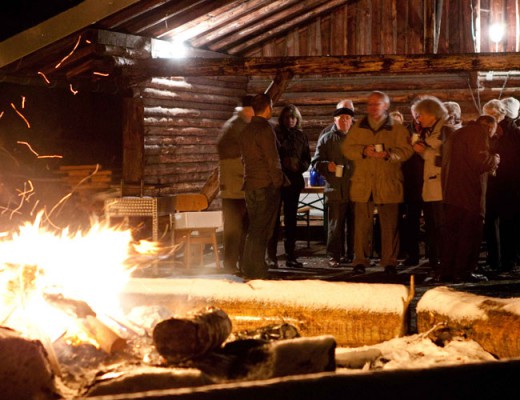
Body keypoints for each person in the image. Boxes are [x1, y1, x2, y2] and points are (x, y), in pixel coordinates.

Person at [342, 91, 413, 274]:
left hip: (388, 182)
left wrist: (389, 154)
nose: (373, 107)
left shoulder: (397, 128)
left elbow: (406, 151)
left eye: (377, 104)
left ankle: (389, 260)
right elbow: (347, 149)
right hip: (363, 183)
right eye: (370, 104)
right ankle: (360, 260)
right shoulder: (358, 127)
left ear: (386, 106)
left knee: (389, 225)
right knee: (361, 225)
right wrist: (363, 150)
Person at [438, 115, 499, 282]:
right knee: (469, 234)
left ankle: (447, 271)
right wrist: (494, 159)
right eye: (493, 131)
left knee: (452, 235)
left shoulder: (456, 134)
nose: (492, 135)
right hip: (470, 194)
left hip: (451, 193)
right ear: (488, 126)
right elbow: (480, 161)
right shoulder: (479, 133)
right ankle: (464, 271)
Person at [239, 94, 285, 279]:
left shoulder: (246, 130)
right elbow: (272, 159)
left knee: (254, 228)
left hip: (250, 184)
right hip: (265, 186)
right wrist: (278, 181)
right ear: (268, 107)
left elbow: (245, 159)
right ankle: (256, 269)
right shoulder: (265, 129)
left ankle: (248, 266)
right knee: (262, 229)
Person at [411, 96, 454, 273]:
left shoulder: (446, 131)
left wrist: (424, 151)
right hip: (430, 189)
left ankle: (443, 266)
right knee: (433, 229)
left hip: (440, 191)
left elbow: (445, 160)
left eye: (421, 115)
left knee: (441, 228)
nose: (418, 118)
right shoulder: (430, 132)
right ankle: (436, 265)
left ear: (431, 114)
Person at [267, 104, 311, 268]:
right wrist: (283, 165)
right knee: (274, 220)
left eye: (293, 117)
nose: (291, 120)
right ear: (283, 118)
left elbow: (307, 158)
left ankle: (291, 256)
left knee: (291, 220)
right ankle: (272, 257)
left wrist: (299, 166)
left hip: (293, 181)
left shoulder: (301, 136)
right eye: (288, 117)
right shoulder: (275, 134)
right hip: (278, 180)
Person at [311, 106, 355, 268]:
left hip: (354, 188)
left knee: (354, 225)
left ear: (351, 121)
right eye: (341, 118)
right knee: (335, 226)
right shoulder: (326, 139)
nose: (345, 121)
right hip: (335, 188)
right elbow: (315, 162)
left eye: (348, 118)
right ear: (334, 120)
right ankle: (334, 256)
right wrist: (325, 166)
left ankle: (352, 255)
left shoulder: (358, 138)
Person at [216, 95, 254, 273]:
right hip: (233, 189)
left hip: (241, 187)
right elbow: (229, 156)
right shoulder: (234, 126)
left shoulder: (243, 125)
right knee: (233, 229)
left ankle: (241, 262)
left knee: (244, 228)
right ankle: (230, 264)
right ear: (247, 109)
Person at [482, 99, 520, 274]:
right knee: (492, 221)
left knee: (508, 224)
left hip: (509, 183)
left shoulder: (513, 133)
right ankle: (495, 259)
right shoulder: (492, 132)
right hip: (494, 183)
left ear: (500, 114)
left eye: (490, 115)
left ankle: (507, 260)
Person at [398, 101, 424, 267]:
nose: (418, 116)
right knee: (412, 220)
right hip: (411, 182)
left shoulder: (432, 130)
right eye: (416, 113)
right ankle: (412, 255)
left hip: (429, 180)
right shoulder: (405, 131)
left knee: (433, 221)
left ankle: (434, 255)